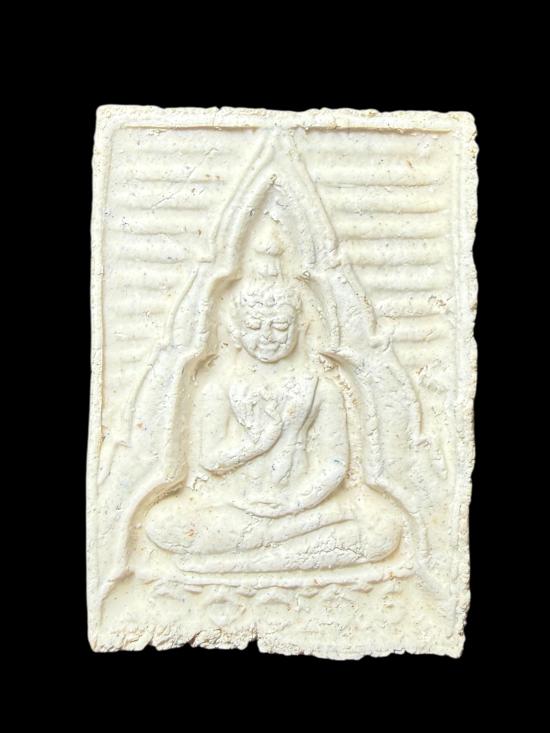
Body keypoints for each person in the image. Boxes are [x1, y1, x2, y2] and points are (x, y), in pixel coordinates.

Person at [145, 276, 402, 574]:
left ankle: (235, 560)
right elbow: (211, 460)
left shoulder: (322, 388)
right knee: (161, 522)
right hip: (234, 508)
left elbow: (334, 465)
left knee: (382, 528)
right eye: (254, 326)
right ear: (236, 331)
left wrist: (295, 502)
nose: (267, 336)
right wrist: (256, 445)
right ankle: (285, 553)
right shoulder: (219, 387)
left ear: (300, 326)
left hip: (303, 510)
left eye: (279, 326)